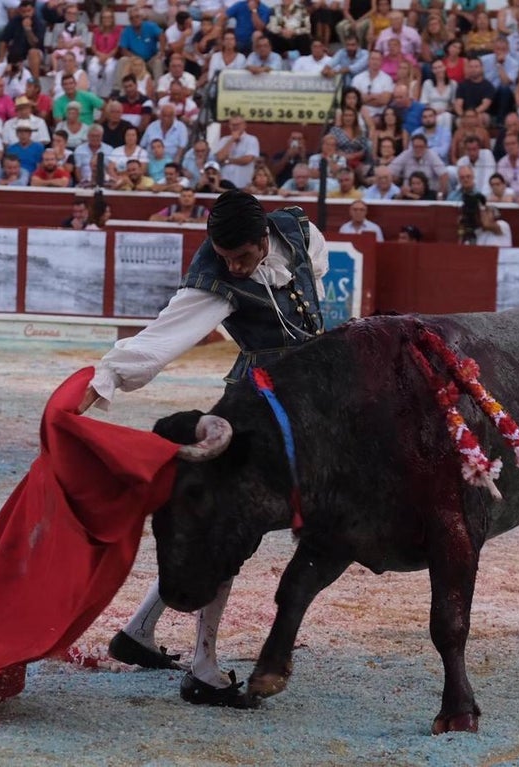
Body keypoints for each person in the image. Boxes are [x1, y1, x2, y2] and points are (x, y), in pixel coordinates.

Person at [80, 192, 328, 706]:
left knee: (235, 526)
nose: (232, 267)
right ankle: (204, 669)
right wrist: (102, 380)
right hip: (256, 406)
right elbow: (160, 339)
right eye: (224, 255)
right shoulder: (213, 279)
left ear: (266, 239)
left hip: (311, 402)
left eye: (242, 257)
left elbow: (311, 289)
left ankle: (139, 631)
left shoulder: (301, 236)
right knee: (232, 529)